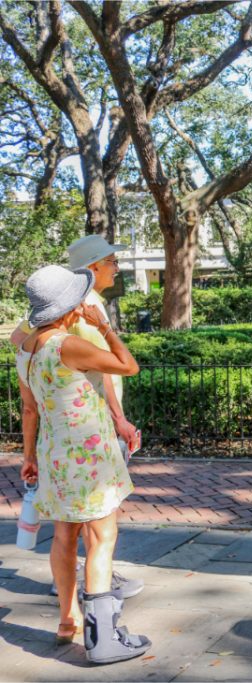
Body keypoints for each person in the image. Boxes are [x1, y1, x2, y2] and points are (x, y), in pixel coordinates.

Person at [17, 265, 150, 663]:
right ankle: (102, 636)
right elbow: (127, 366)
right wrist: (106, 328)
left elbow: (28, 409)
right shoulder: (66, 345)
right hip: (88, 453)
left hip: (55, 452)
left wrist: (28, 457)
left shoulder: (27, 348)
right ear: (68, 306)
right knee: (102, 538)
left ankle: (67, 620)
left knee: (64, 535)